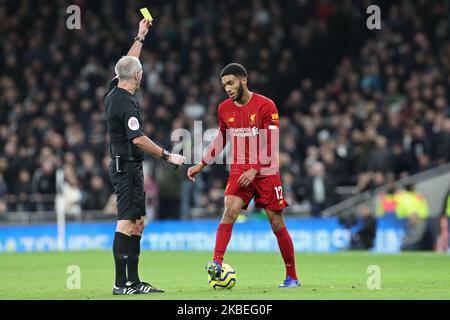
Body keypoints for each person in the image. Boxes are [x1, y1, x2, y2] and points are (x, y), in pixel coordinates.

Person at [187, 63, 300, 288]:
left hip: (266, 170)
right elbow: (221, 138)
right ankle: (217, 263)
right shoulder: (224, 109)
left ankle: (292, 276)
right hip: (239, 169)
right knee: (229, 210)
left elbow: (271, 143)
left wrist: (255, 168)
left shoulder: (266, 106)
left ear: (243, 80)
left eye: (231, 83)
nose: (227, 88)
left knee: (276, 222)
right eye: (224, 85)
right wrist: (202, 163)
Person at [105, 19, 186, 295]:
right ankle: (120, 284)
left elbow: (128, 64)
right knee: (126, 222)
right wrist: (167, 156)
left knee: (138, 222)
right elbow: (137, 138)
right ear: (138, 77)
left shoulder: (115, 89)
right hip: (124, 166)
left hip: (132, 167)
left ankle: (134, 282)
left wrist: (140, 37)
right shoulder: (125, 102)